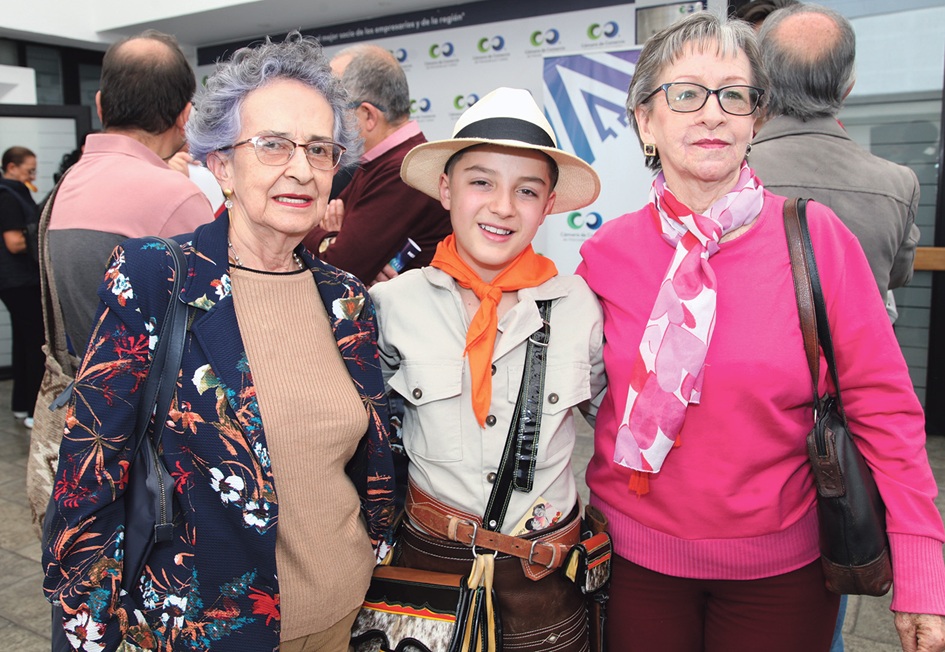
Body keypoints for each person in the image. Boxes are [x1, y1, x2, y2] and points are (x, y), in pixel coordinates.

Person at [576, 12, 945, 652]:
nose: (711, 114)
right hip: (633, 564)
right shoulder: (608, 254)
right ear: (645, 120)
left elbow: (883, 407)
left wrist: (922, 573)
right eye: (685, 93)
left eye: (733, 95)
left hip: (782, 574)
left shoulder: (817, 237)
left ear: (756, 119)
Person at [42, 32, 397, 651]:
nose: (300, 168)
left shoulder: (346, 300)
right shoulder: (158, 276)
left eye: (319, 150)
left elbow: (368, 463)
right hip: (209, 629)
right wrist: (88, 629)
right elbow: (88, 473)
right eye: (272, 145)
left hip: (341, 611)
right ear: (221, 164)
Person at [371, 86, 606, 651]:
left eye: (526, 191)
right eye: (481, 182)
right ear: (446, 189)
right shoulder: (391, 305)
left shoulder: (580, 305)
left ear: (548, 205)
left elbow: (617, 419)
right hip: (430, 569)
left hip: (542, 582)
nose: (503, 206)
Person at [48, 29, 214, 355]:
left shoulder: (67, 184)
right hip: (163, 401)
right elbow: (217, 316)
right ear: (185, 115)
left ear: (99, 105)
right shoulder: (177, 196)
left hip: (91, 391)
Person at [751, 3, 920, 303]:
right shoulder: (899, 184)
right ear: (848, 85)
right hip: (855, 350)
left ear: (761, 82)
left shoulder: (729, 173)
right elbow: (898, 274)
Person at [302, 44, 451, 282]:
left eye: (336, 111)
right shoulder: (381, 163)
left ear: (369, 116)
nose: (329, 122)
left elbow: (337, 268)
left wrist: (315, 232)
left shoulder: (404, 172)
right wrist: (330, 237)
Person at [0, 146, 44, 428]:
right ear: (12, 167)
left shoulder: (16, 191)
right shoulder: (9, 196)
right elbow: (14, 242)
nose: (33, 174)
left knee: (22, 340)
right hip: (19, 280)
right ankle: (33, 410)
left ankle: (20, 406)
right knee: (35, 343)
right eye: (29, 169)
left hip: (16, 281)